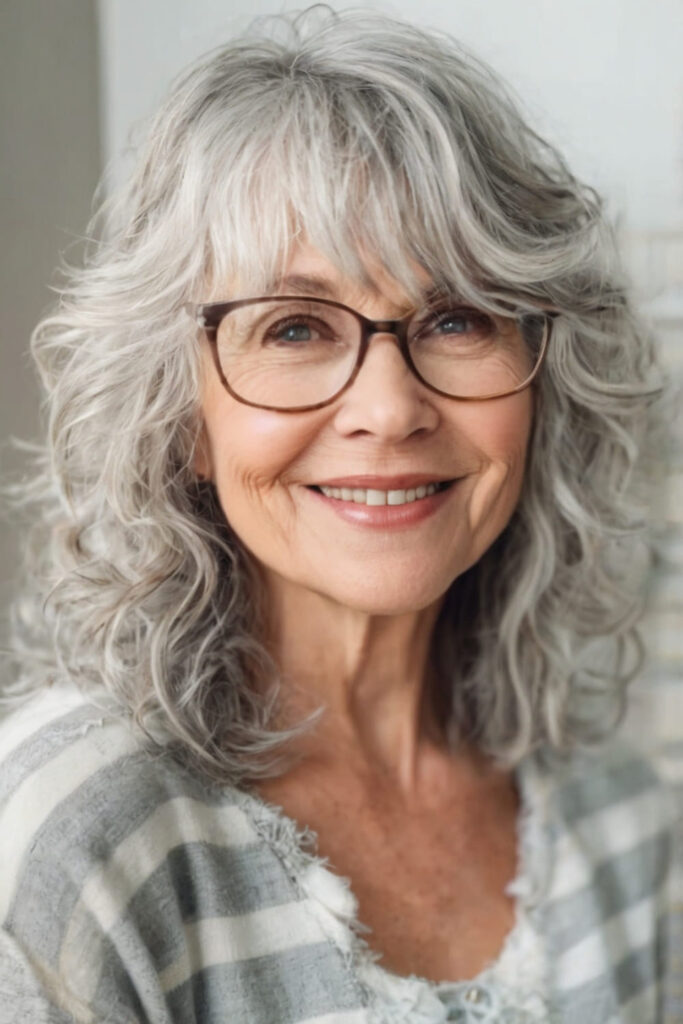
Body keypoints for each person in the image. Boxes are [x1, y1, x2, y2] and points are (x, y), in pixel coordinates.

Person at [0, 9, 676, 1023]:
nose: (390, 409)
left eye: (456, 318)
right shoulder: (73, 830)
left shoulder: (622, 820)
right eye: (295, 327)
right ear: (180, 415)